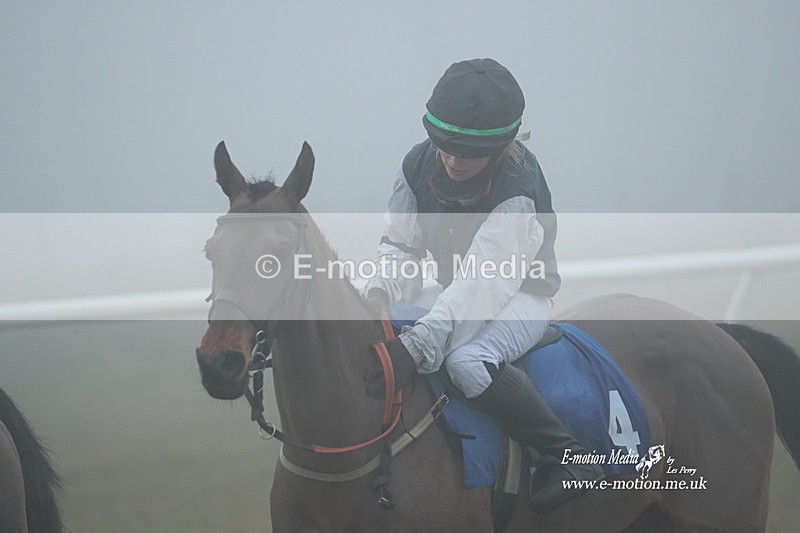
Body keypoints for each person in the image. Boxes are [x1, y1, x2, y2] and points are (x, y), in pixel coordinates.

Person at [364, 58, 604, 513]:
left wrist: (416, 349)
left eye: (467, 152)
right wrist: (376, 295)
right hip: (455, 289)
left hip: (519, 295)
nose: (452, 160)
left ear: (503, 145)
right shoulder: (417, 163)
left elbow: (483, 285)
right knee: (364, 299)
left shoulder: (516, 189)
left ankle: (568, 456)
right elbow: (400, 248)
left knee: (466, 361)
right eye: (444, 147)